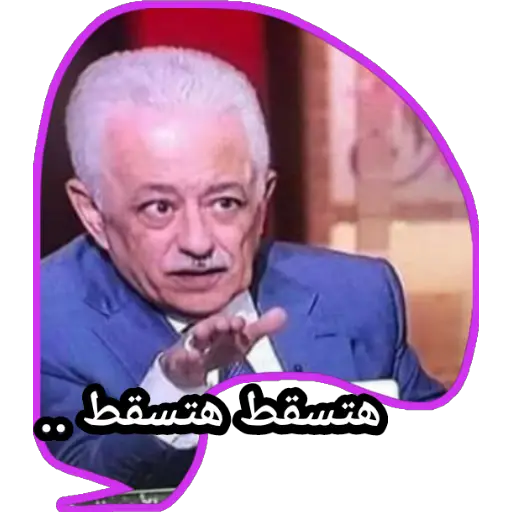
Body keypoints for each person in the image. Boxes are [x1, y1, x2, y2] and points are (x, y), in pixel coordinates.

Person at [40, 47, 446, 489]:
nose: (198, 242)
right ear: (93, 213)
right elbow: (81, 484)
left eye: (225, 203)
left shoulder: (357, 295)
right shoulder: (47, 326)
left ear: (262, 199)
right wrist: (173, 394)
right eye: (159, 207)